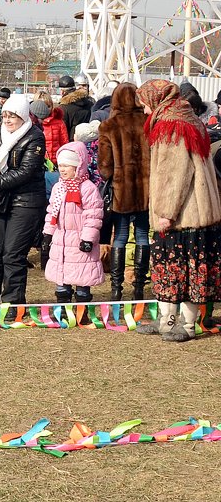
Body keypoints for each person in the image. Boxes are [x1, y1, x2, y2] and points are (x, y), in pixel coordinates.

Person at [134, 80, 221, 342]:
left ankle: (186, 324)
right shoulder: (187, 118)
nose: (145, 110)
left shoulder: (172, 126)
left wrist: (167, 212)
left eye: (145, 104)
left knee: (181, 267)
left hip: (185, 213)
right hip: (192, 210)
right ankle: (166, 321)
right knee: (170, 268)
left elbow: (175, 175)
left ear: (157, 99)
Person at [0, 94, 47, 314]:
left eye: (12, 116)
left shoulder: (35, 137)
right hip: (1, 200)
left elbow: (26, 171)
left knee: (13, 254)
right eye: (5, 115)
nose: (7, 120)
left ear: (22, 116)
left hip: (26, 202)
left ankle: (13, 303)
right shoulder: (1, 133)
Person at [97, 83, 151, 301]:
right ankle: (139, 285)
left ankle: (116, 288)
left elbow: (104, 166)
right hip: (146, 191)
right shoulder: (148, 124)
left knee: (119, 237)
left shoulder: (108, 126)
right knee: (142, 235)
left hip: (121, 190)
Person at [42, 142, 105, 304]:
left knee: (82, 276)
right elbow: (51, 212)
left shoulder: (87, 188)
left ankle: (81, 308)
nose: (62, 170)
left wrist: (88, 239)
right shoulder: (59, 187)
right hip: (61, 242)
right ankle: (63, 308)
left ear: (78, 166)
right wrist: (47, 234)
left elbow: (94, 216)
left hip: (79, 242)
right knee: (61, 277)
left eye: (67, 166)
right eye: (60, 166)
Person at [31, 94, 68, 165]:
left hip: (55, 162)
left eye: (48, 106)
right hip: (37, 162)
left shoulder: (59, 123)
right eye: (42, 105)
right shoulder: (31, 123)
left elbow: (64, 143)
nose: (46, 109)